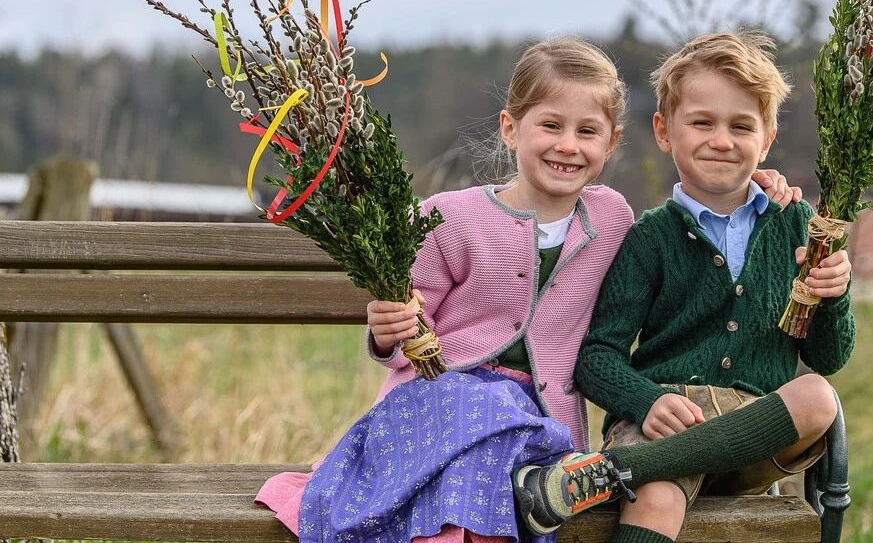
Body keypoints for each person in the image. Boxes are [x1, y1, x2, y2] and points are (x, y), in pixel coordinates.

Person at [256, 36, 805, 543]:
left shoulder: (611, 217)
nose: (568, 146)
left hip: (544, 420)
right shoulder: (446, 219)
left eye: (587, 131)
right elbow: (405, 330)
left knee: (510, 447)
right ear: (511, 128)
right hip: (441, 399)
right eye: (550, 126)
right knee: (483, 416)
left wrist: (758, 180)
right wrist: (386, 332)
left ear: (612, 142)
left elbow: (710, 201)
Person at [513, 31, 855, 543]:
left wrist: (834, 295)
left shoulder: (797, 225)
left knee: (818, 395)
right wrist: (647, 401)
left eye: (741, 126)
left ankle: (613, 474)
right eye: (701, 122)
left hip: (755, 431)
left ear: (767, 137)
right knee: (656, 495)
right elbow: (597, 355)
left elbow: (828, 355)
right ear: (664, 131)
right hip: (664, 417)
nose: (721, 140)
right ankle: (641, 469)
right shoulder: (650, 238)